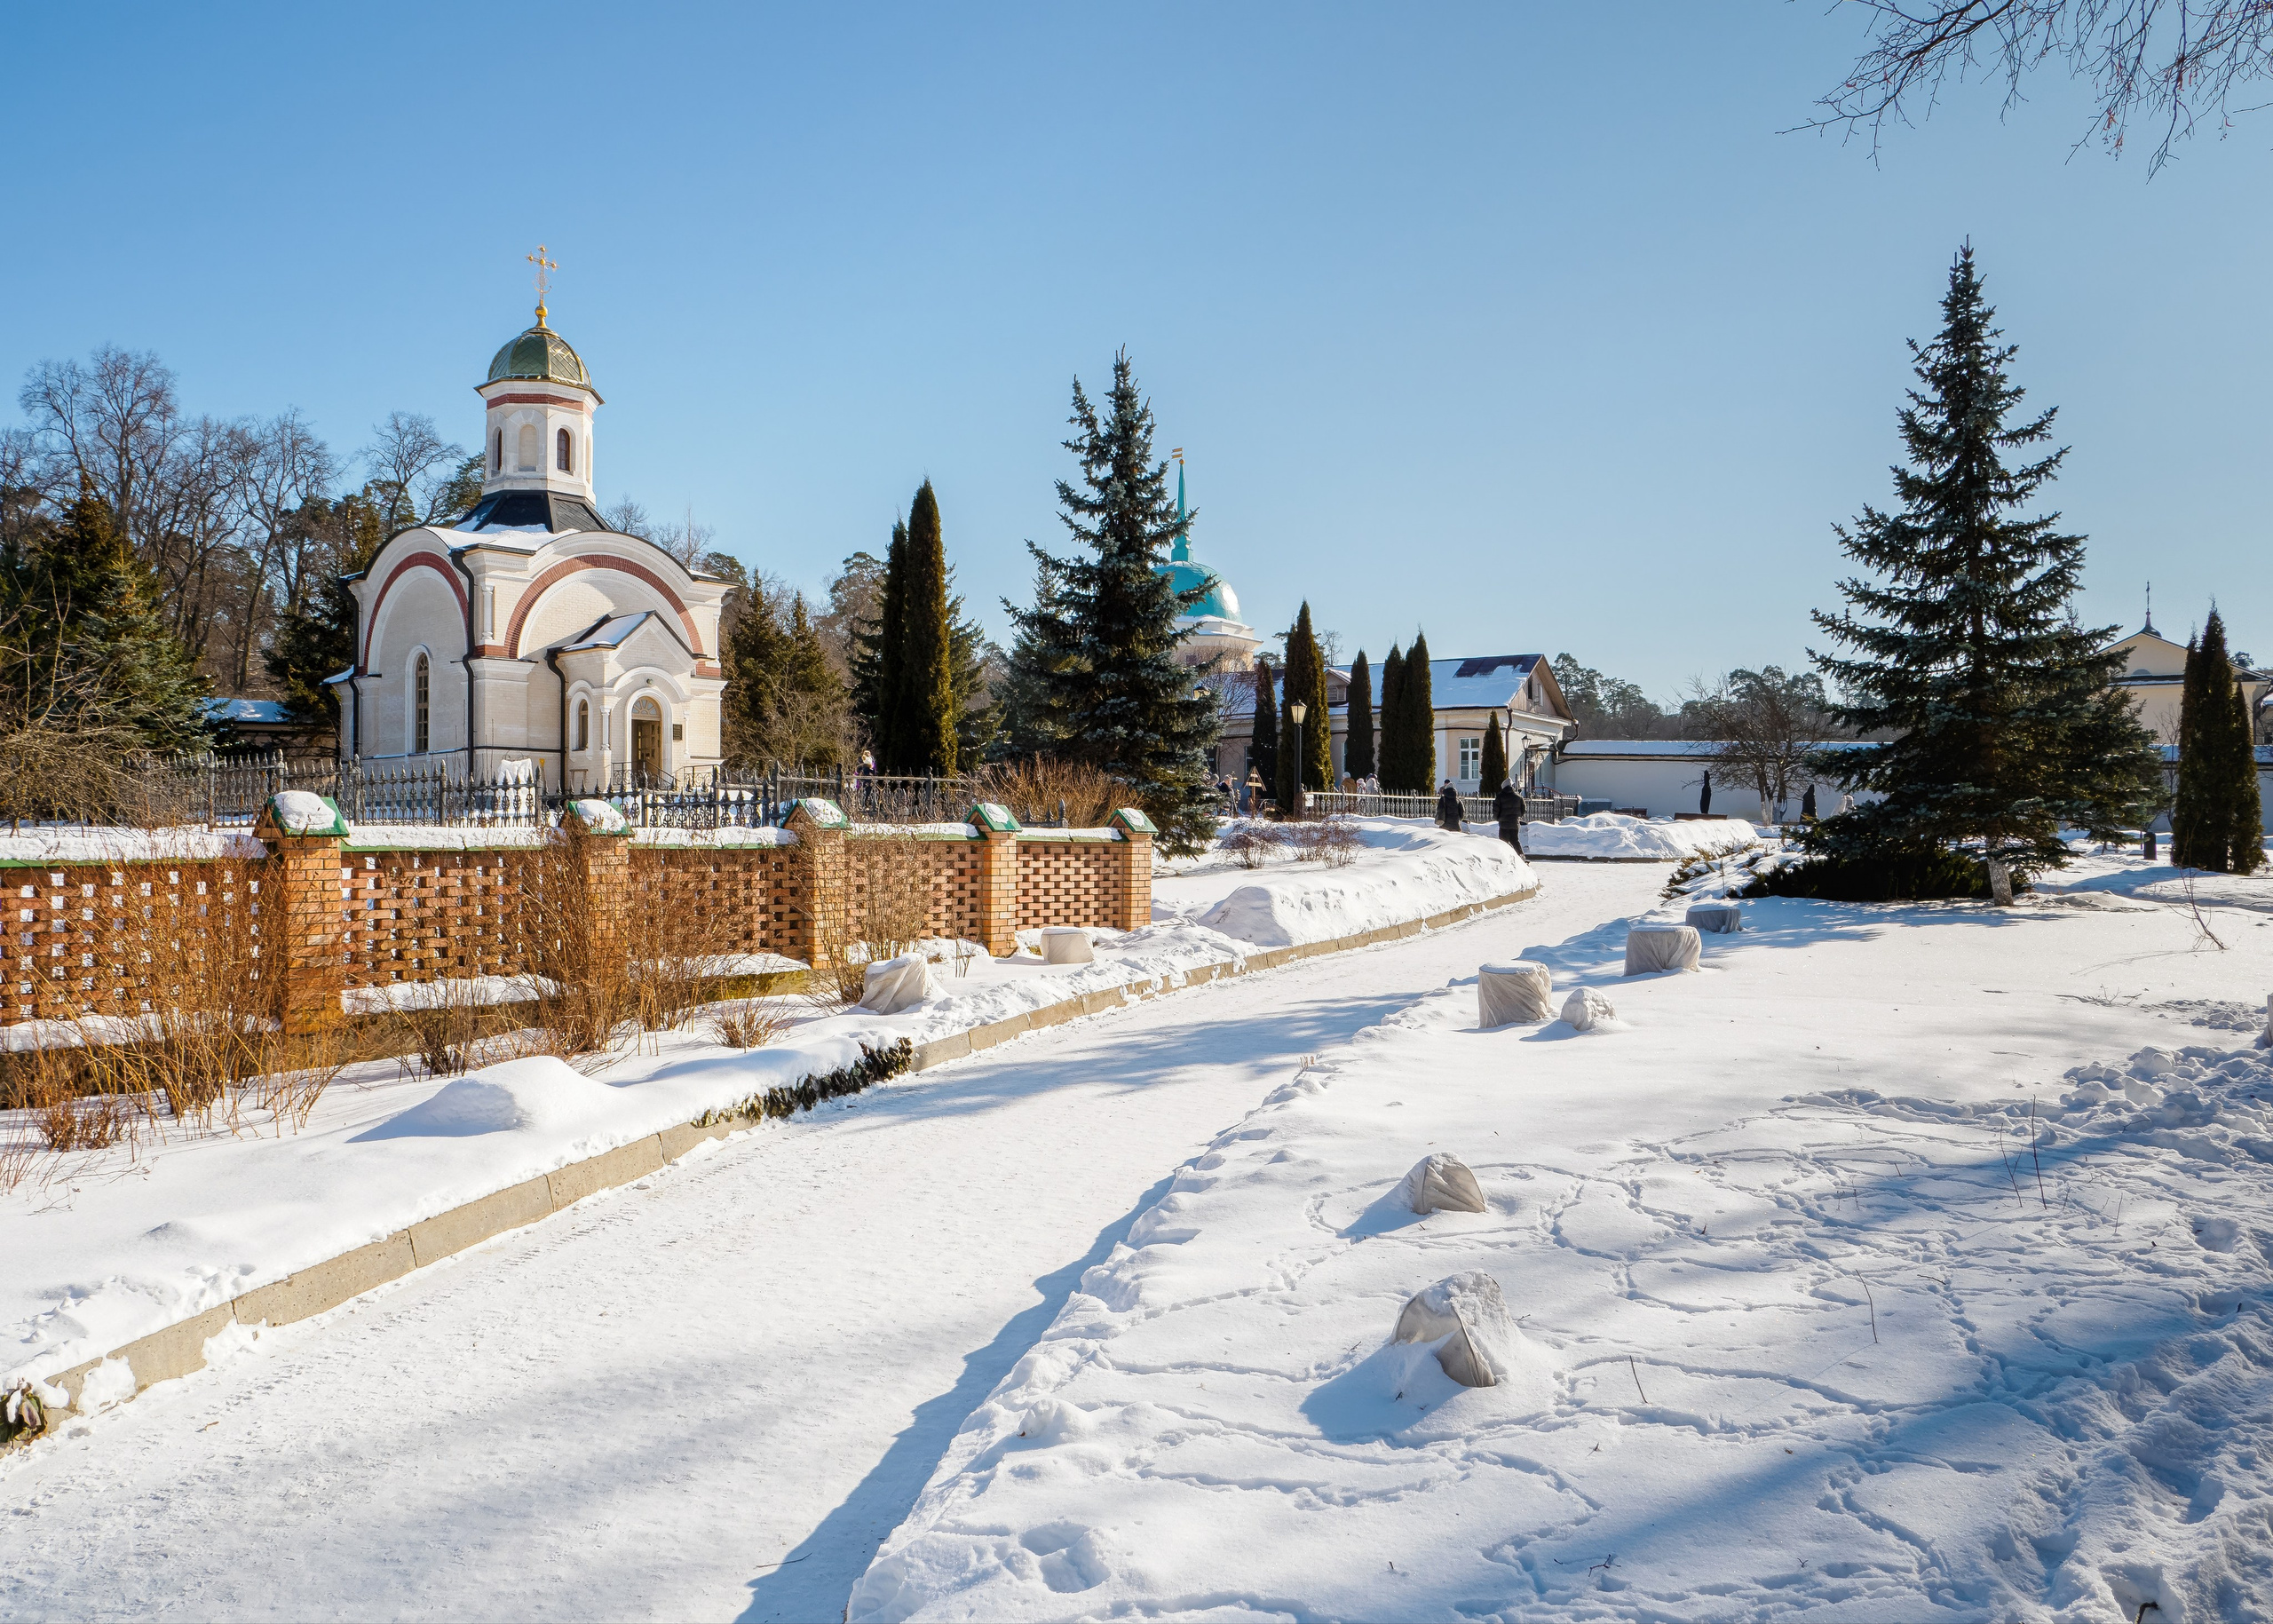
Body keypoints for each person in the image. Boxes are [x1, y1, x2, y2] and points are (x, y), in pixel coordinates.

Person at [1492, 775, 1522, 850]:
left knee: (1503, 842)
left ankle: (1506, 857)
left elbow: (1496, 809)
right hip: (1515, 823)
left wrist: (1498, 818)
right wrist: (1518, 816)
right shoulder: (1518, 797)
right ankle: (1520, 855)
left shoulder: (1500, 797)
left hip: (1504, 824)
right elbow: (1523, 809)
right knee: (1515, 841)